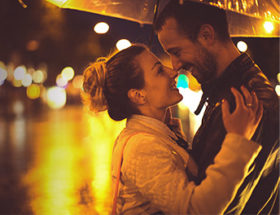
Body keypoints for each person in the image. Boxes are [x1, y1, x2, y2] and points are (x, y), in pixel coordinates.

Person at [81, 44, 263, 215]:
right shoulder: (142, 147)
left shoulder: (158, 134)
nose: (173, 71)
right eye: (159, 70)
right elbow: (196, 209)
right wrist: (239, 141)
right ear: (138, 95)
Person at [154, 1, 279, 214]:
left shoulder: (244, 101)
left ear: (206, 35)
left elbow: (221, 202)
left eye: (176, 51)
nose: (175, 65)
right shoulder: (227, 90)